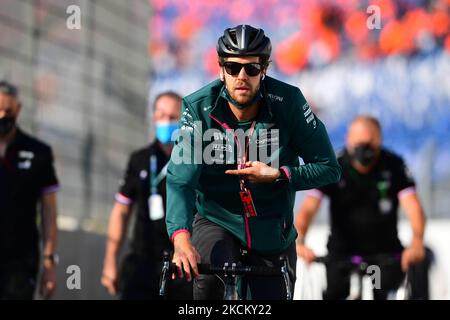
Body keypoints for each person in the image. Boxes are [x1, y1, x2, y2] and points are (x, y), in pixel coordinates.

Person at [166, 25, 341, 300]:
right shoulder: (198, 107)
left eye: (252, 69)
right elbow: (180, 180)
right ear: (221, 69)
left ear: (265, 69)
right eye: (233, 68)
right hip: (216, 220)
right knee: (211, 283)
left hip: (272, 228)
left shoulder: (289, 102)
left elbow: (329, 169)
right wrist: (180, 237)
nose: (241, 77)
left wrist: (279, 175)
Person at [295, 115, 426, 300]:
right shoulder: (333, 166)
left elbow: (413, 207)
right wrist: (300, 241)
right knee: (334, 294)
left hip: (382, 256)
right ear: (348, 140)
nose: (363, 150)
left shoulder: (394, 165)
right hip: (341, 256)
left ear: (379, 140)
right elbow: (308, 208)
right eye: (358, 143)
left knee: (384, 293)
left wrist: (417, 242)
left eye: (369, 143)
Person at [101, 91, 192, 300]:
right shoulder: (140, 160)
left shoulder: (195, 160)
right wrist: (110, 261)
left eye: (172, 117)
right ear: (153, 118)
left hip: (183, 263)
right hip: (143, 260)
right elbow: (121, 211)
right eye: (161, 116)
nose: (166, 122)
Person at [0, 80, 59, 299]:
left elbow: (49, 211)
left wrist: (49, 260)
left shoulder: (38, 152)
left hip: (21, 261)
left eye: (7, 110)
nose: (2, 115)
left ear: (18, 109)